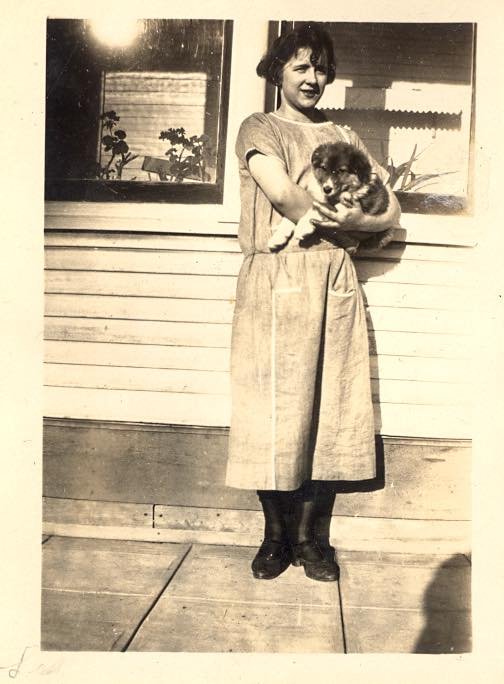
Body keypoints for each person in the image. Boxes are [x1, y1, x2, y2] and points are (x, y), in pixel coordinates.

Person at [225, 23, 401, 582]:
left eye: (321, 68)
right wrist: (352, 226)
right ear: (277, 71)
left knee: (328, 408)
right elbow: (283, 192)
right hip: (276, 279)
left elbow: (390, 209)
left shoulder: (344, 132)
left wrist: (364, 220)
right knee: (273, 409)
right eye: (300, 67)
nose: (313, 78)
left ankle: (311, 541)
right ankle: (274, 538)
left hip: (332, 282)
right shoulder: (259, 127)